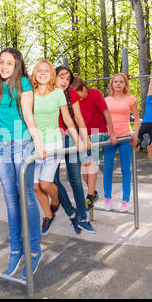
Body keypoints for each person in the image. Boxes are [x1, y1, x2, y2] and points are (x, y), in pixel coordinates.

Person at [0, 48, 46, 279]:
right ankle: (16, 250)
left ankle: (35, 251)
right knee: (10, 199)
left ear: (17, 64)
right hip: (4, 146)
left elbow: (28, 116)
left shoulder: (24, 85)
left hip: (23, 143)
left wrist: (38, 143)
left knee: (26, 195)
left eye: (9, 63)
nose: (4, 66)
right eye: (1, 62)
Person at [30, 60, 85, 237]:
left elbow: (68, 119)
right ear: (34, 74)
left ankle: (55, 202)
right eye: (40, 70)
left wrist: (78, 139)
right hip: (35, 143)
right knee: (36, 186)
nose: (43, 73)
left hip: (53, 142)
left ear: (52, 74)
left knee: (46, 183)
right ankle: (48, 215)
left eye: (47, 70)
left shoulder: (58, 94)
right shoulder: (29, 93)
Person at [53, 65, 96, 234]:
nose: (64, 81)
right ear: (54, 77)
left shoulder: (71, 94)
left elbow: (78, 117)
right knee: (52, 180)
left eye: (67, 78)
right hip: (52, 138)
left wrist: (85, 138)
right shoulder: (46, 92)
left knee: (75, 179)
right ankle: (72, 212)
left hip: (70, 138)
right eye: (61, 77)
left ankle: (83, 217)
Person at [71, 77, 117, 216]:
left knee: (91, 163)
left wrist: (112, 134)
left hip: (98, 132)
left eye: (77, 94)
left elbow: (107, 114)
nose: (75, 98)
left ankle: (90, 196)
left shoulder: (95, 94)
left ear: (84, 89)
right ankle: (93, 193)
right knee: (83, 167)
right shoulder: (74, 100)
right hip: (84, 135)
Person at [103, 73, 140, 212]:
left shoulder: (130, 99)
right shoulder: (106, 100)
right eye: (116, 82)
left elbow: (137, 119)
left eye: (121, 82)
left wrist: (135, 134)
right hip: (109, 138)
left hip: (125, 138)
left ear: (125, 84)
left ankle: (125, 201)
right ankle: (107, 199)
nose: (118, 84)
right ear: (112, 84)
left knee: (125, 170)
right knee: (107, 169)